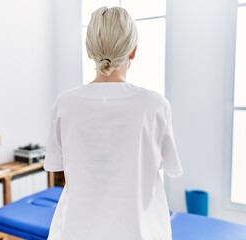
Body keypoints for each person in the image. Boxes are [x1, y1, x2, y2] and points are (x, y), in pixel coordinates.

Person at [44, 6, 183, 240]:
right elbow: (170, 167)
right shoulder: (156, 105)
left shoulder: (64, 104)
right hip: (140, 232)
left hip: (76, 232)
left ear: (90, 51)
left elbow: (56, 164)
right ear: (134, 51)